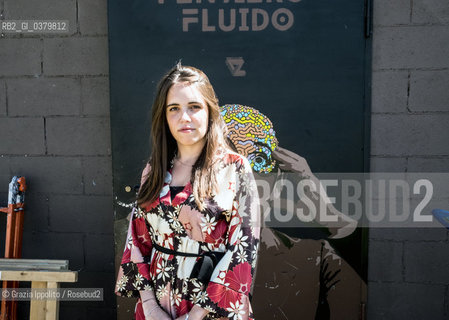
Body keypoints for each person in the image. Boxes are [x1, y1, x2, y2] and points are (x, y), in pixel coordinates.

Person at [115, 63, 261, 320]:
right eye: (174, 109)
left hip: (211, 309)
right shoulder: (155, 170)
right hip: (156, 306)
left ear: (209, 111)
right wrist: (149, 307)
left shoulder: (234, 168)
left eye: (194, 107)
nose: (184, 117)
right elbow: (135, 242)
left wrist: (195, 316)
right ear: (164, 116)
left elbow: (244, 248)